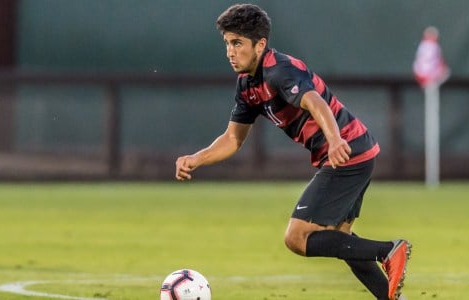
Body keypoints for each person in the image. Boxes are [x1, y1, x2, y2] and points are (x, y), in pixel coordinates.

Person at [175, 4, 411, 300]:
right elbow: (233, 139)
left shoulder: (279, 70)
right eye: (227, 43)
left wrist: (335, 139)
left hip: (347, 152)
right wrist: (196, 158)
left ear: (260, 45)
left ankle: (387, 250)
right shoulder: (247, 84)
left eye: (237, 43)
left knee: (297, 237)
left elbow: (313, 101)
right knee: (341, 239)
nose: (230, 52)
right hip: (354, 151)